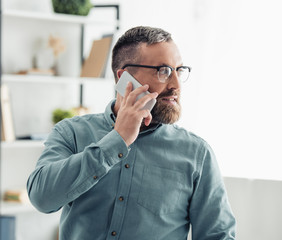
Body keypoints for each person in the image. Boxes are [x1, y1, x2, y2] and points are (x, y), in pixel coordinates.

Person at [27, 26, 236, 240]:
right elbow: (41, 199)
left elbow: (217, 236)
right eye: (163, 71)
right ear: (124, 78)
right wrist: (117, 141)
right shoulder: (71, 132)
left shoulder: (197, 153)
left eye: (179, 71)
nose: (176, 85)